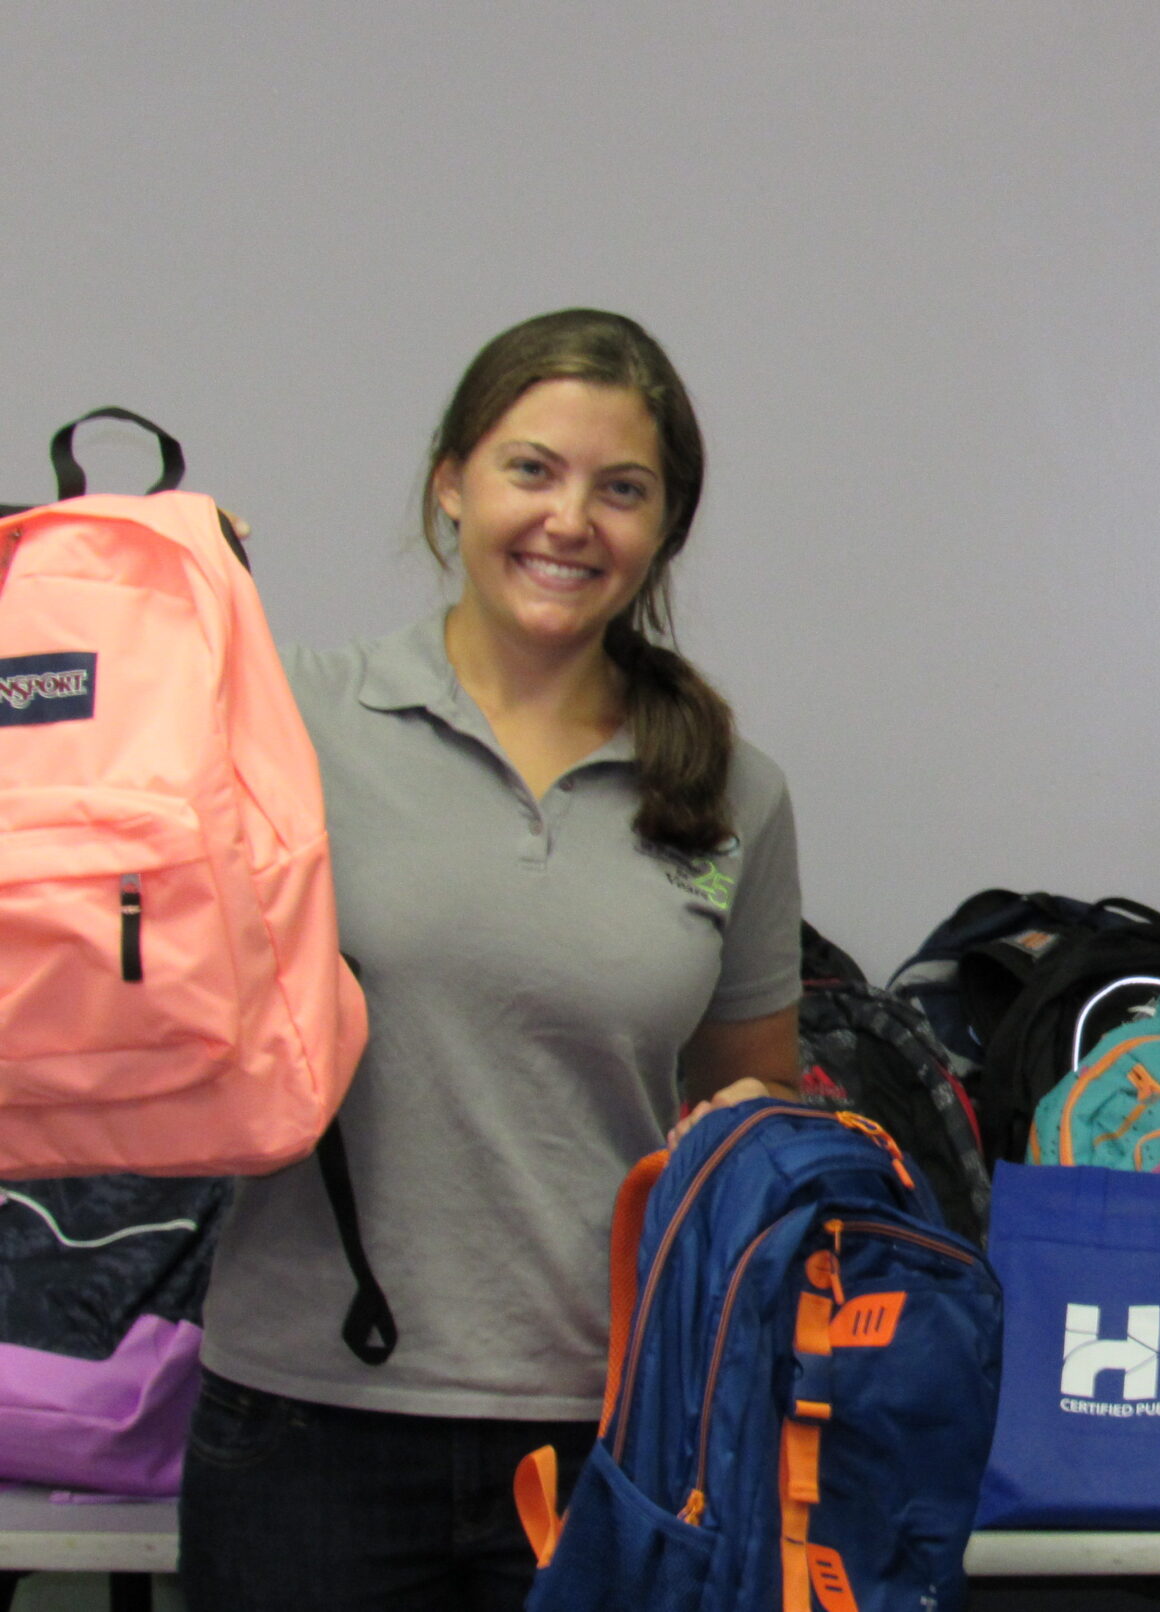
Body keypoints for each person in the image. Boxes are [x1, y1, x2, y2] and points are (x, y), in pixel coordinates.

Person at [180, 309, 805, 1611]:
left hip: (616, 1439)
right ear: (450, 484)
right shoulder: (287, 716)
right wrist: (149, 594)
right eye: (531, 469)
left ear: (663, 527)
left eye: (620, 489)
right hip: (310, 1429)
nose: (570, 520)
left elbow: (749, 1118)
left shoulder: (736, 791)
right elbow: (67, 820)